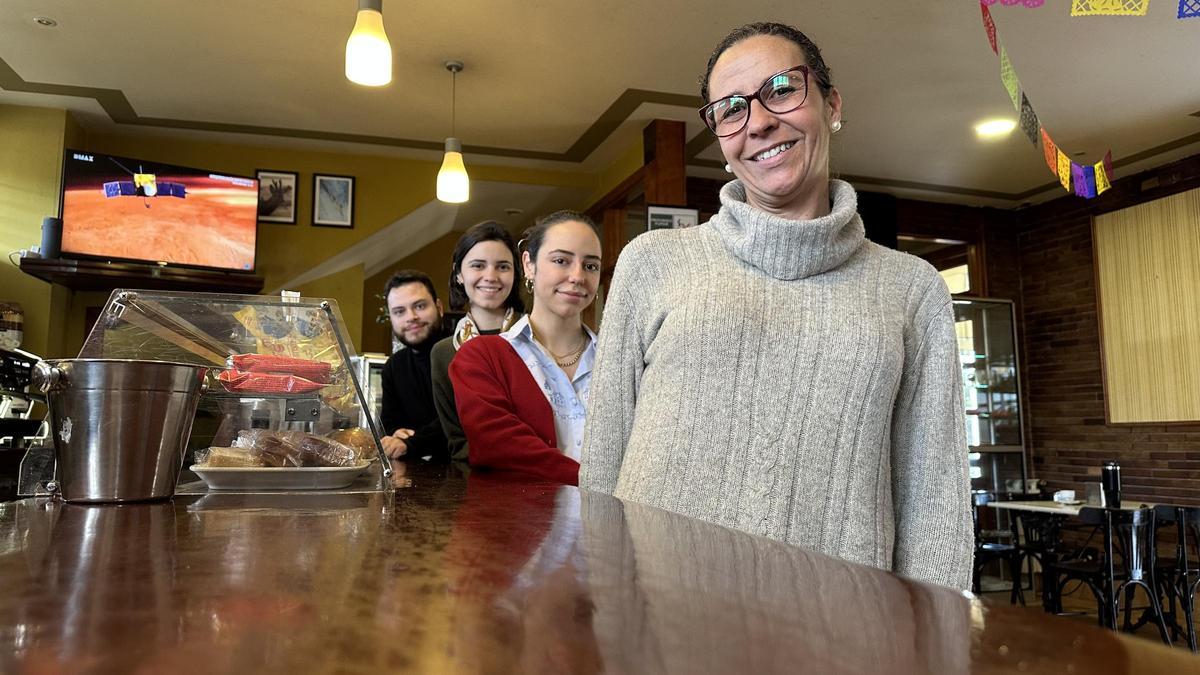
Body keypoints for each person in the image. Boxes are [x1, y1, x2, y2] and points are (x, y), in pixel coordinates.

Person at [579, 22, 973, 590]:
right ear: (719, 137)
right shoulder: (652, 261)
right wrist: (603, 609)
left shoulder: (912, 289)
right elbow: (603, 459)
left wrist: (938, 642)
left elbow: (933, 496)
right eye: (730, 109)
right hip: (660, 625)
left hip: (842, 632)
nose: (758, 121)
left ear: (831, 104)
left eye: (782, 87)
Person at [450, 211, 602, 484]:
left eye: (590, 266)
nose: (578, 276)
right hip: (522, 523)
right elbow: (498, 447)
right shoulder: (481, 356)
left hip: (618, 524)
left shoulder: (620, 361)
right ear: (528, 265)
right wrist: (599, 485)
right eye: (561, 261)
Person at [431, 222, 526, 461]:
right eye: (478, 265)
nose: (491, 276)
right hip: (475, 481)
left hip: (542, 476)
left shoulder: (537, 337)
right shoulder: (443, 353)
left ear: (515, 274)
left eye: (503, 266)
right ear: (459, 274)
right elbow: (457, 441)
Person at [379, 269, 450, 461]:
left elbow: (458, 420)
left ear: (439, 307)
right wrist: (397, 434)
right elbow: (389, 422)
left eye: (419, 306)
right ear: (392, 319)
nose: (411, 317)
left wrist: (411, 443)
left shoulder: (462, 352)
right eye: (399, 311)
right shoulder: (393, 366)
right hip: (417, 473)